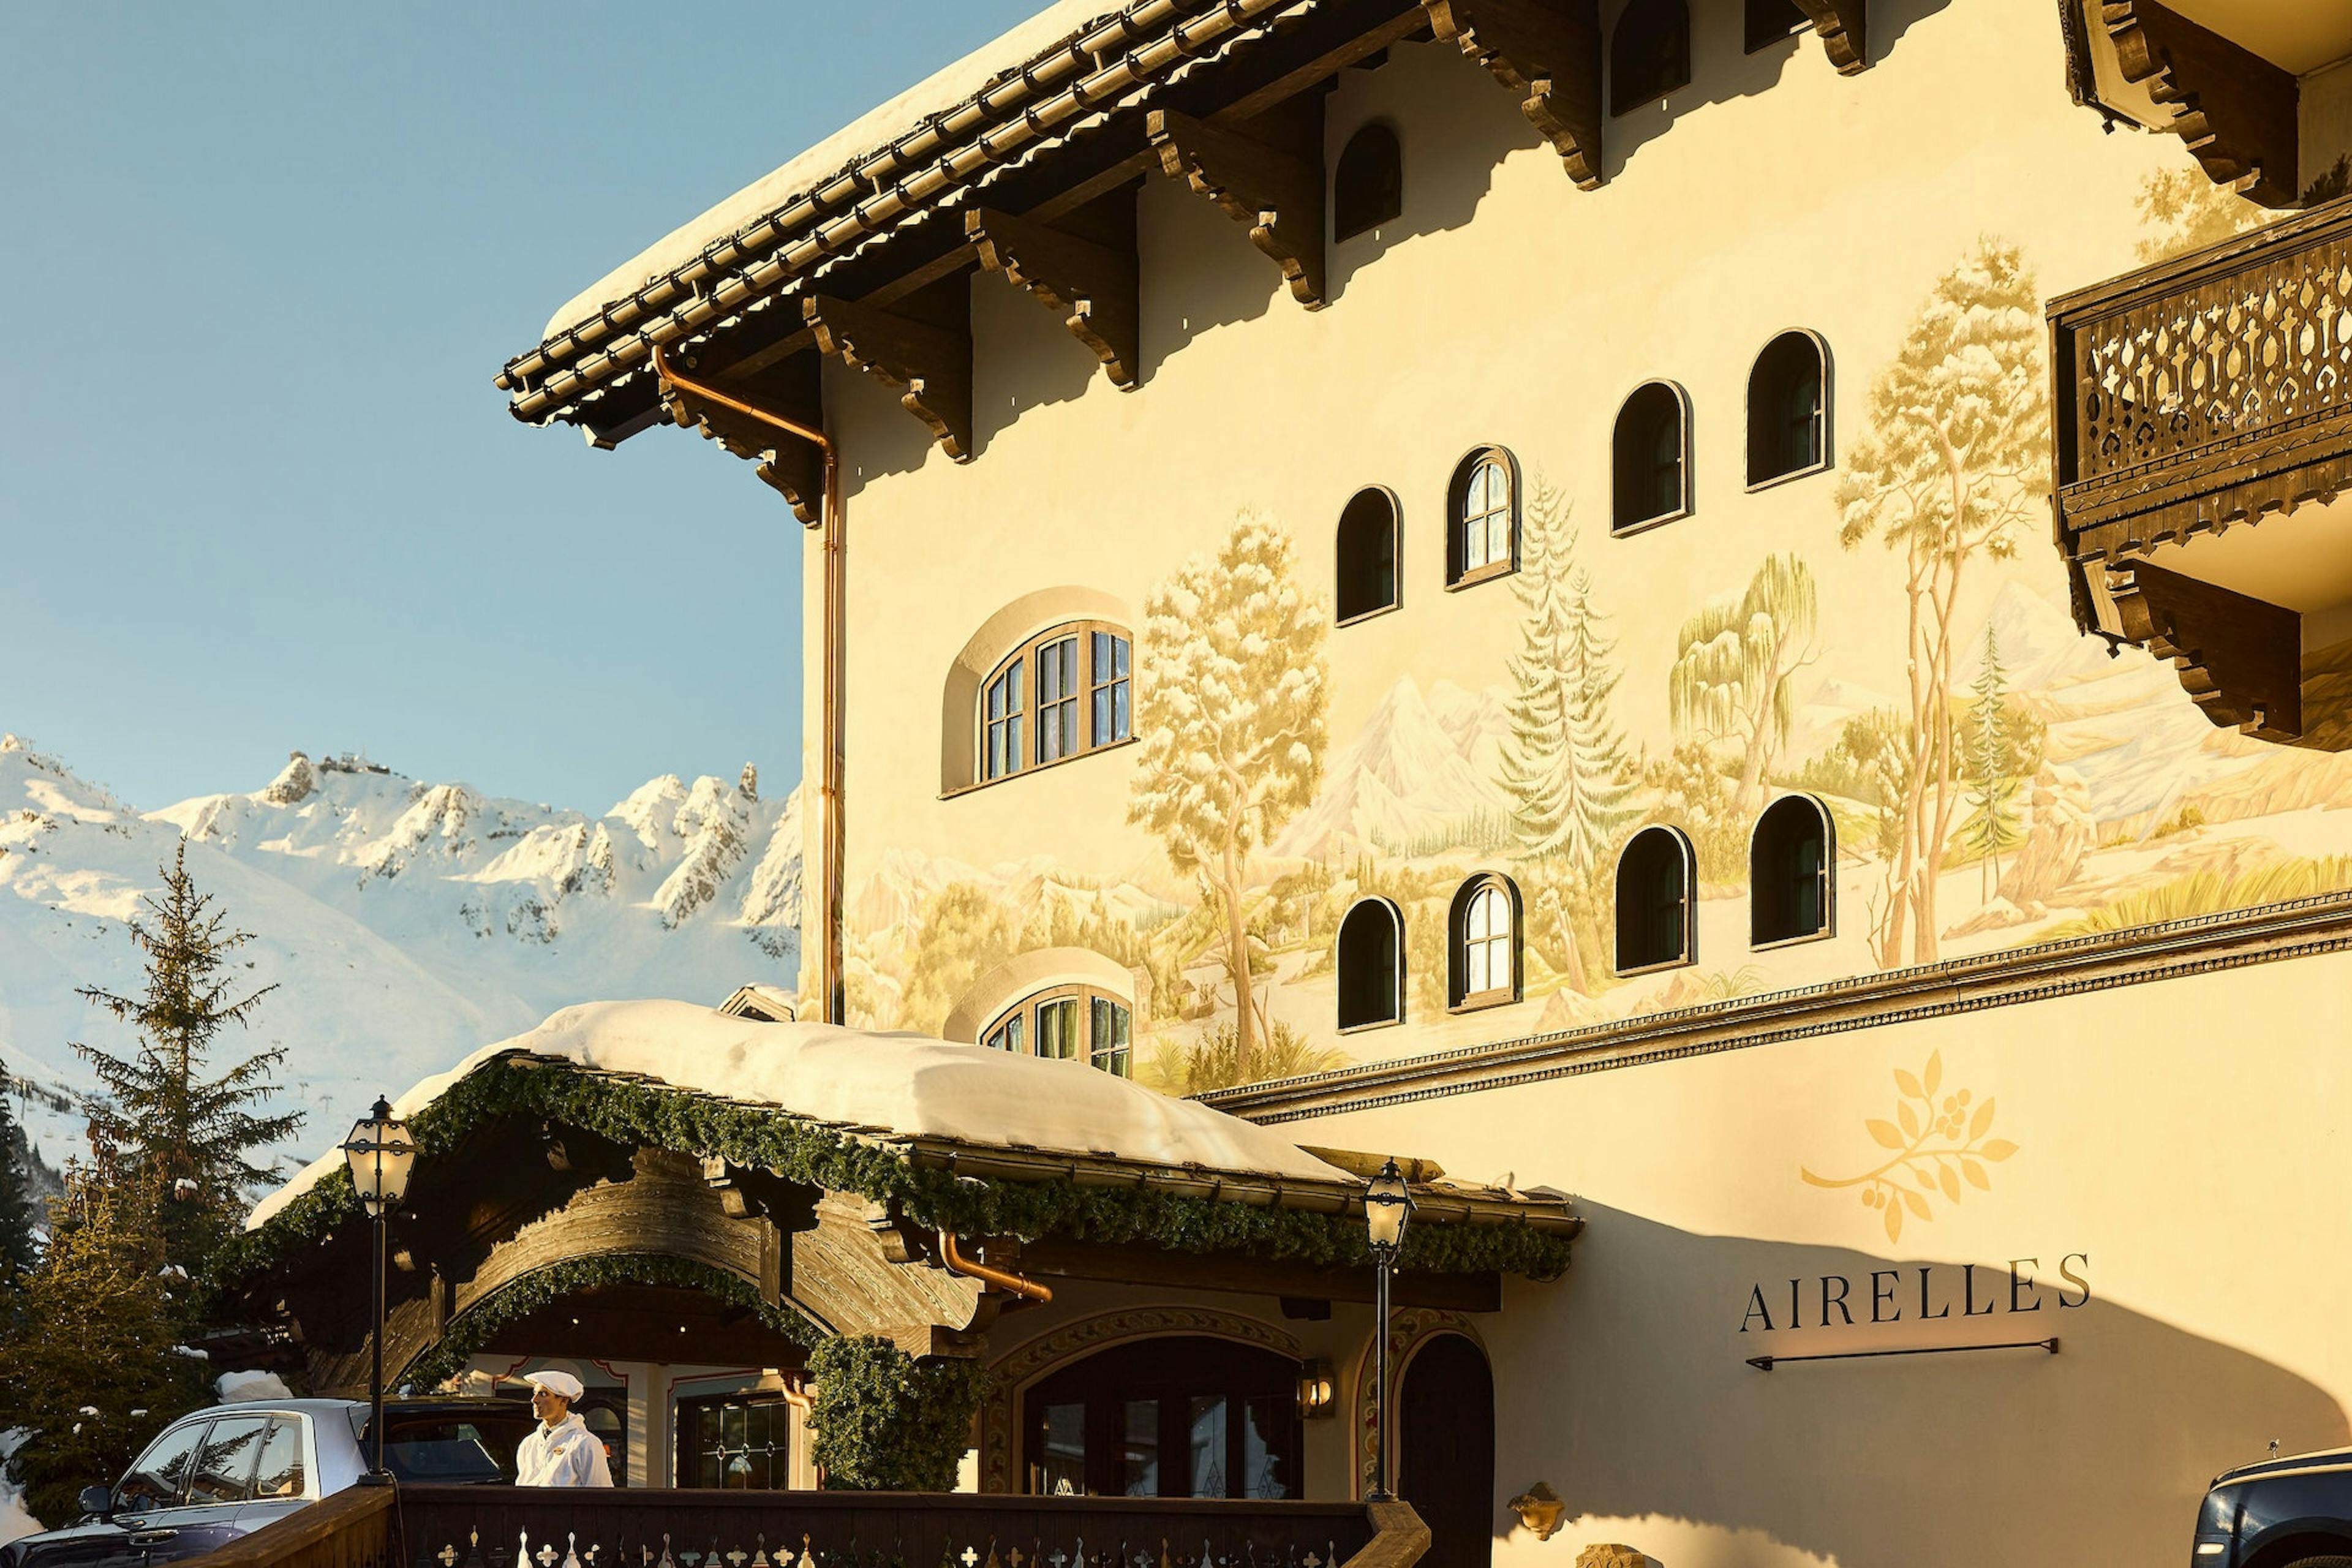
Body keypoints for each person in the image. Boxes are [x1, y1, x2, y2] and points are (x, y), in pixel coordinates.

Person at [514, 1370, 614, 1487]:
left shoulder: (586, 1444)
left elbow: (600, 1496)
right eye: (535, 1393)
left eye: (543, 1394)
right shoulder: (528, 1444)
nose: (534, 1400)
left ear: (564, 1400)